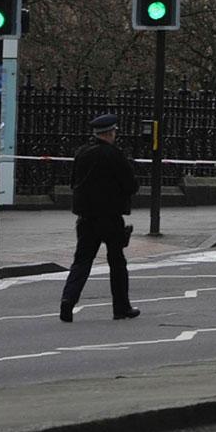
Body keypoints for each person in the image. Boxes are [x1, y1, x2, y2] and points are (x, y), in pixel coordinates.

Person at [59, 113, 140, 322]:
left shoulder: (82, 153)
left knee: (82, 261)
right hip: (110, 217)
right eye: (114, 132)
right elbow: (130, 185)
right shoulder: (114, 155)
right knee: (117, 262)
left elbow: (73, 182)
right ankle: (121, 308)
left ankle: (67, 301)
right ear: (110, 133)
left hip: (86, 217)